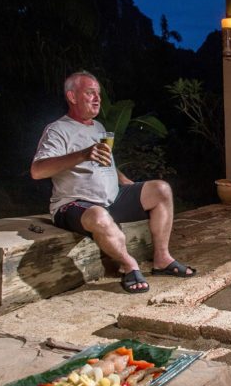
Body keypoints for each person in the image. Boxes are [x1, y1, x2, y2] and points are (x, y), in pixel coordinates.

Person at [31, 71, 195, 294]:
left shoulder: (98, 128)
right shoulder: (57, 130)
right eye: (90, 93)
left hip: (111, 198)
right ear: (72, 96)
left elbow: (103, 161)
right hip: (74, 205)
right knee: (99, 216)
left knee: (161, 189)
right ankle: (128, 266)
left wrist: (123, 179)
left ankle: (162, 259)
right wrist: (82, 154)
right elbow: (38, 170)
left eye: (98, 93)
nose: (97, 98)